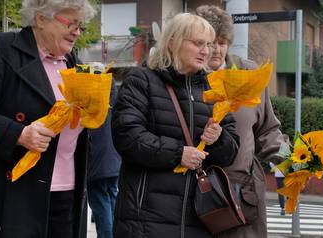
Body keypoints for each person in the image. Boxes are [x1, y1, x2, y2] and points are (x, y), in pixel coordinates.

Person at [111, 13, 239, 238]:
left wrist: (218, 138)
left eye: (208, 45)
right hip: (146, 218)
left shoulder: (214, 90)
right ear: (173, 42)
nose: (206, 51)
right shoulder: (141, 81)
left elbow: (230, 152)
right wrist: (178, 153)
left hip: (199, 218)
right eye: (198, 43)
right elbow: (127, 136)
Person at [0, 0, 96, 237]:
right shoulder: (0, 48)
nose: (77, 32)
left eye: (81, 26)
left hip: (68, 190)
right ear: (41, 19)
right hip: (16, 195)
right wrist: (19, 134)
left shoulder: (72, 63)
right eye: (72, 23)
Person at [196, 5, 285, 238]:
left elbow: (267, 129)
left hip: (243, 190)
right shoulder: (187, 76)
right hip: (199, 190)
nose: (216, 49)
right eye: (210, 42)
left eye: (222, 42)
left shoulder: (248, 73)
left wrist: (290, 160)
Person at [87, 76, 121, 238]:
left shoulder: (91, 107)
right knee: (112, 197)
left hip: (96, 162)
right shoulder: (114, 103)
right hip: (114, 161)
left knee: (100, 203)